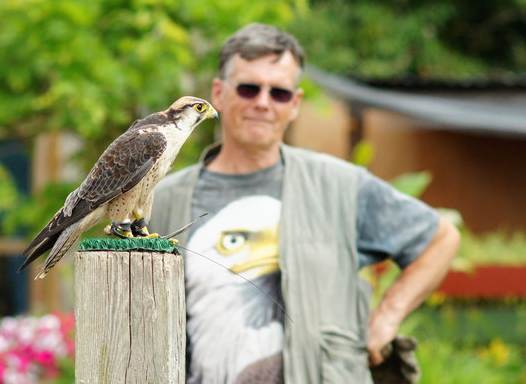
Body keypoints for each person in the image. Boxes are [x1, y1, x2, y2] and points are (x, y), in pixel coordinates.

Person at [149, 23, 460, 384]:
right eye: (249, 88)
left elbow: (441, 238)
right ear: (218, 93)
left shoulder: (342, 187)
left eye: (278, 93)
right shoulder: (162, 199)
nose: (263, 103)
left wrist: (387, 317)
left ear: (295, 104)